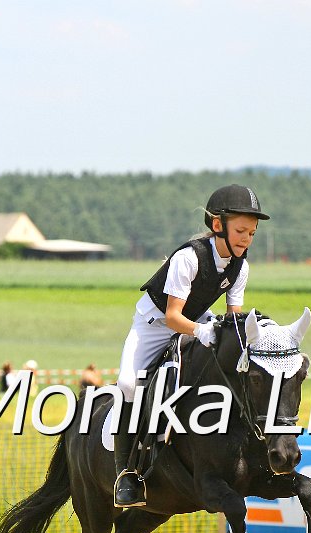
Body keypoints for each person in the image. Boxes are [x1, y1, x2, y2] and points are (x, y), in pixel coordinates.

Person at [114, 184, 270, 508]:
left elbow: (233, 321)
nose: (246, 239)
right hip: (155, 325)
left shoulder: (241, 267)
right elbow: (173, 316)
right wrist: (201, 331)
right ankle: (126, 475)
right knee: (128, 385)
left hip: (199, 322)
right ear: (218, 225)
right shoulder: (189, 257)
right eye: (241, 230)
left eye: (252, 233)